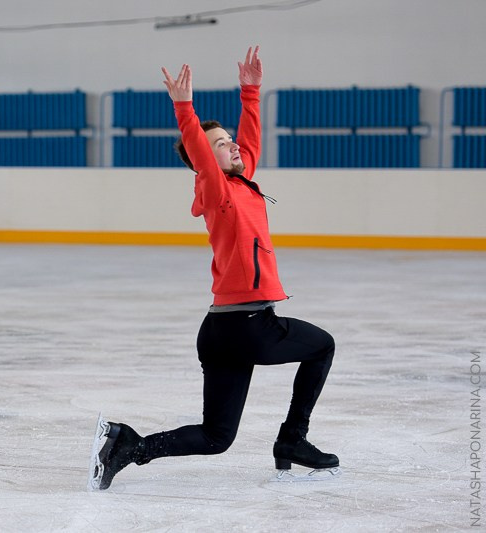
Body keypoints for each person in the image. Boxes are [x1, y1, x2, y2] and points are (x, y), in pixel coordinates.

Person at [93, 47, 338, 489]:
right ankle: (293, 441)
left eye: (230, 139)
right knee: (322, 346)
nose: (233, 145)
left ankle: (127, 446)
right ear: (204, 161)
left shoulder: (242, 183)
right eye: (222, 144)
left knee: (215, 437)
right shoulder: (217, 191)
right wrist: (184, 108)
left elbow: (252, 141)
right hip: (249, 327)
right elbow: (202, 153)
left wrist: (251, 91)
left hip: (222, 331)